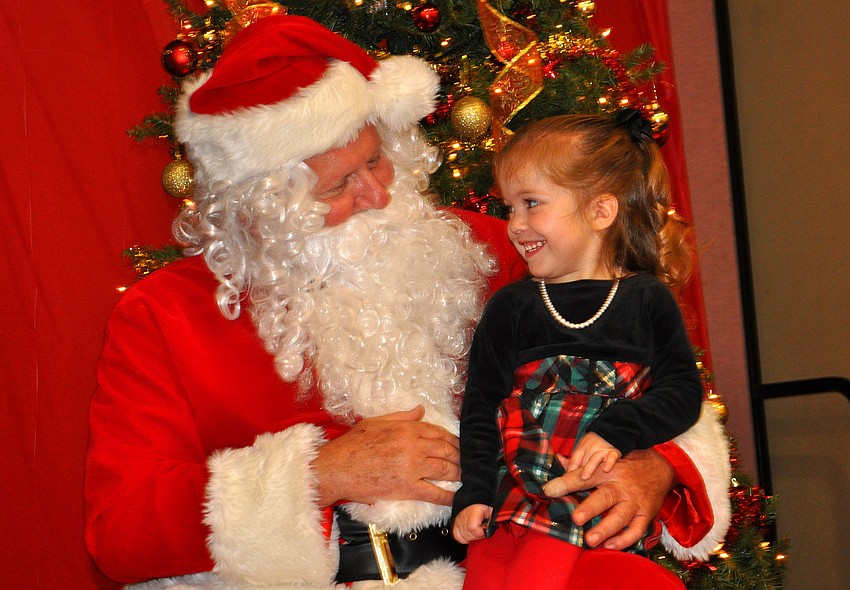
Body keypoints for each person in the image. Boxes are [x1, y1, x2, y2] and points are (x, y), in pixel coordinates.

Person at [84, 14, 730, 590]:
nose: (376, 195)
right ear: (262, 205)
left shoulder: (485, 249)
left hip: (515, 560)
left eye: (378, 161)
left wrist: (655, 464)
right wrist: (318, 474)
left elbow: (640, 361)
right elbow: (121, 532)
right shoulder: (165, 315)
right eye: (340, 184)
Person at [451, 112, 721, 589]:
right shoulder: (510, 307)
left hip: (586, 500)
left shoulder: (645, 299)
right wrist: (473, 491)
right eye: (509, 207)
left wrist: (619, 431)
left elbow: (682, 391)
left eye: (531, 203)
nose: (515, 225)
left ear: (601, 212)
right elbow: (480, 407)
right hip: (510, 498)